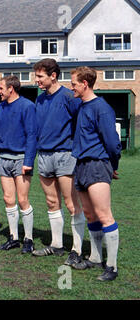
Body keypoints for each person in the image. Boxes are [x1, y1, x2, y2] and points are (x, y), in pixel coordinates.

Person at [31, 58, 86, 267]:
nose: (36, 80)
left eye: (40, 76)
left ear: (53, 75)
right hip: (44, 156)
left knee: (72, 204)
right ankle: (56, 244)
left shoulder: (69, 97)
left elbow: (82, 125)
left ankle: (77, 249)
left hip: (65, 155)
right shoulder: (40, 100)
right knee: (52, 203)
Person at [70, 66, 121, 281]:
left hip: (97, 165)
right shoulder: (82, 107)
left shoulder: (102, 108)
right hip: (80, 165)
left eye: (73, 83)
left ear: (85, 84)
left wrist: (112, 165)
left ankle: (112, 267)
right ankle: (95, 257)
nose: (71, 87)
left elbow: (112, 142)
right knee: (90, 214)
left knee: (103, 214)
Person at [0, 75, 37, 253]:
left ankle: (29, 239)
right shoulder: (1, 107)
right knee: (8, 199)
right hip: (4, 159)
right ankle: (14, 238)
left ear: (11, 89)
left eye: (1, 88)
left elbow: (32, 135)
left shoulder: (27, 106)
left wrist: (28, 161)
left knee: (23, 199)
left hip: (21, 160)